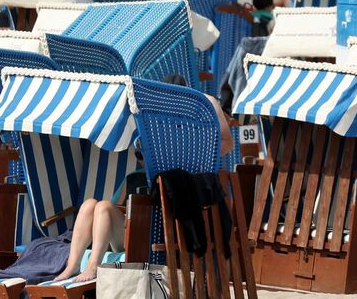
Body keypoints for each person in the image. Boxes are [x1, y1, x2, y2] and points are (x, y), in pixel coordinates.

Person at [53, 75, 234, 283]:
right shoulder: (136, 175)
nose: (142, 158)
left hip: (146, 226)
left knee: (102, 207)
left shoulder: (180, 165)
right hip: (129, 224)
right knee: (88, 205)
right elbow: (120, 206)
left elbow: (226, 143)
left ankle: (93, 266)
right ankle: (72, 266)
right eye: (139, 153)